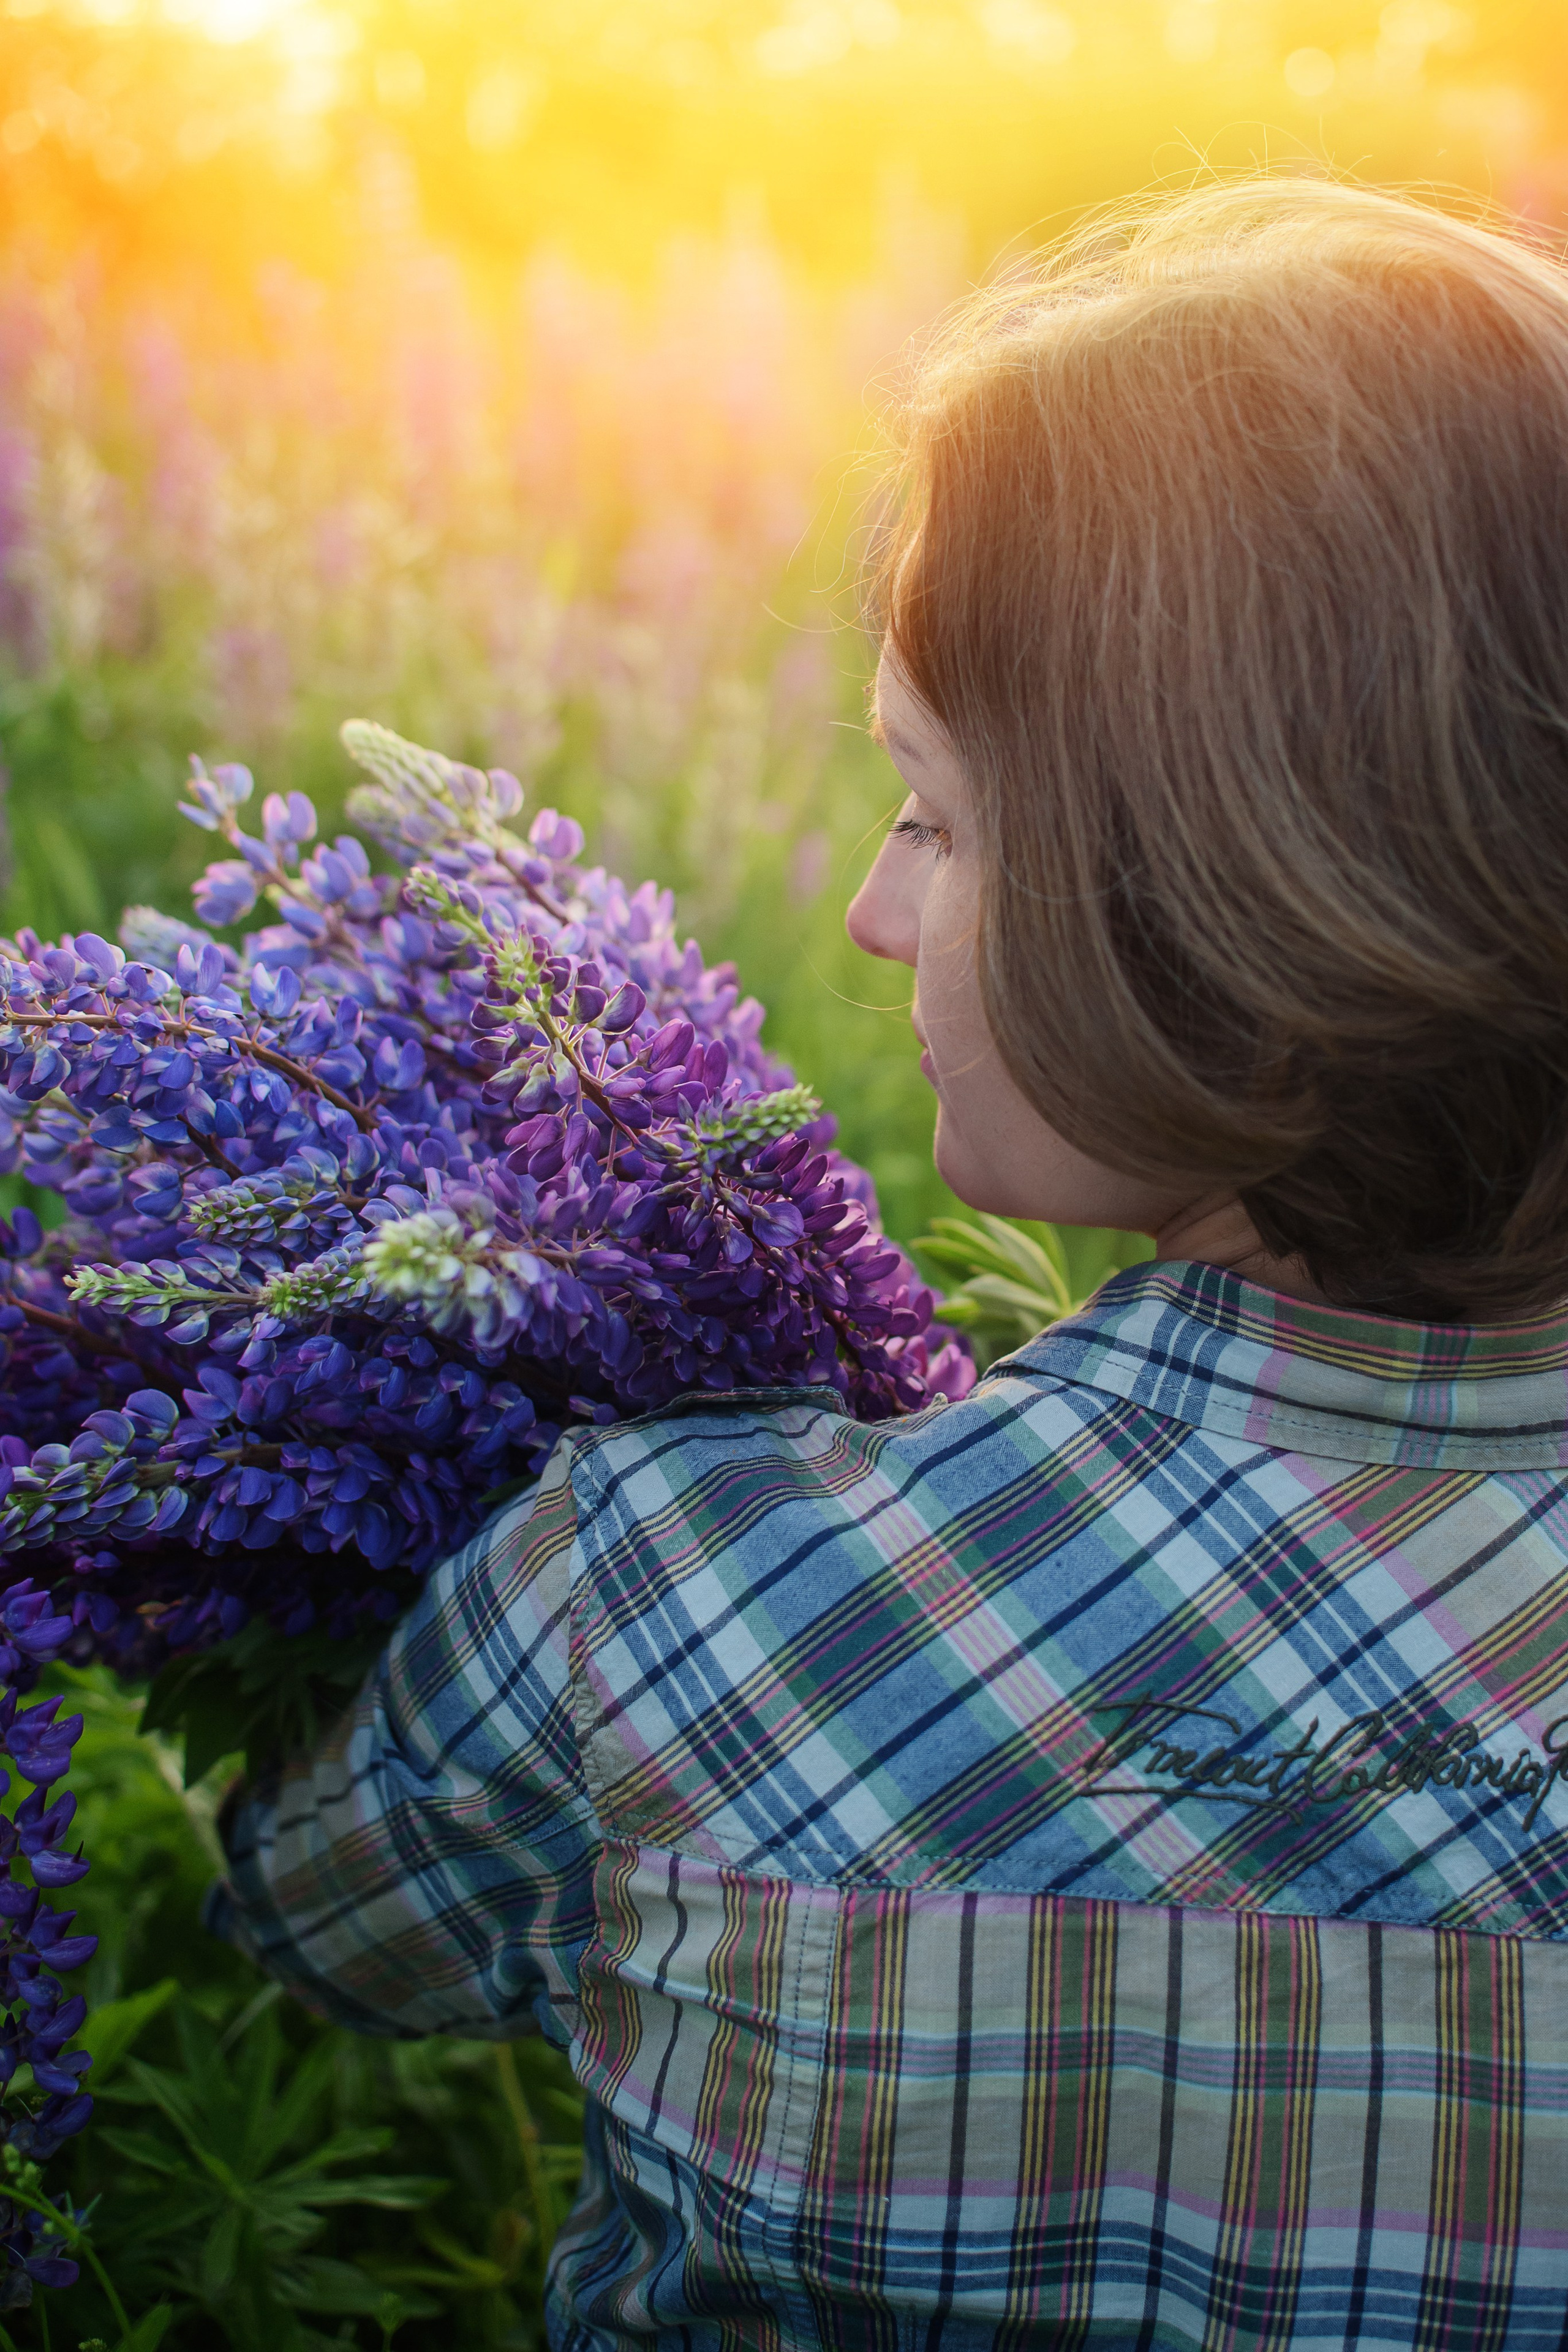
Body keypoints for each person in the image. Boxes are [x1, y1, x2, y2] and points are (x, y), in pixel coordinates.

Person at [208, 178, 1568, 2348]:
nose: (861, 910)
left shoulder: (678, 1581)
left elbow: (305, 1927)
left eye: (933, 817)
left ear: (1225, 904)